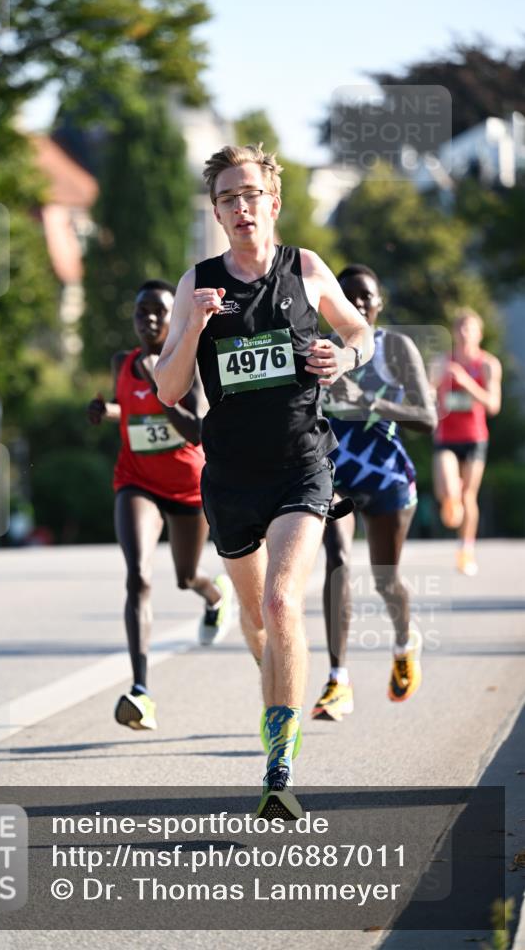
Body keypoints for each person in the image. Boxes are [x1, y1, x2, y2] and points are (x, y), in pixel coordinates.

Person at [154, 144, 373, 818]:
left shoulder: (304, 268)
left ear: (272, 203)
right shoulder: (197, 283)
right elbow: (167, 388)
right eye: (228, 198)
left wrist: (343, 357)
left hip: (301, 465)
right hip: (229, 477)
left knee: (281, 605)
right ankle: (280, 682)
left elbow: (360, 332)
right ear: (217, 213)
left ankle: (278, 768)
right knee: (257, 620)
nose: (241, 207)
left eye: (250, 195)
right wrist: (194, 323)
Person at [88, 279, 232, 732]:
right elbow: (127, 408)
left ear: (175, 319)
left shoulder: (191, 362)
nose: (148, 318)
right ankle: (141, 691)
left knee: (186, 576)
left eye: (159, 311)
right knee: (139, 576)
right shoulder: (123, 362)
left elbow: (197, 431)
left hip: (188, 488)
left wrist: (158, 385)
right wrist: (106, 412)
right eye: (141, 311)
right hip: (137, 481)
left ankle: (214, 595)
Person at [315, 264, 437, 722]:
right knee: (338, 562)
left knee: (386, 578)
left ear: (379, 304)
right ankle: (338, 680)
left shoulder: (395, 348)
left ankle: (405, 641)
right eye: (348, 297)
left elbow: (426, 419)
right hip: (334, 476)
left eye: (366, 297)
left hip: (386, 477)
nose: (358, 304)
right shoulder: (319, 349)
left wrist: (366, 400)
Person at [430, 308, 502, 576]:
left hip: (474, 437)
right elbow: (427, 392)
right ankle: (452, 497)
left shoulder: (488, 365)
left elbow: (493, 405)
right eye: (459, 328)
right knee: (449, 493)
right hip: (446, 437)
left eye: (469, 328)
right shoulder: (442, 362)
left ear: (479, 334)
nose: (464, 333)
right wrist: (432, 392)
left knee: (469, 496)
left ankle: (466, 551)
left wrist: (466, 382)